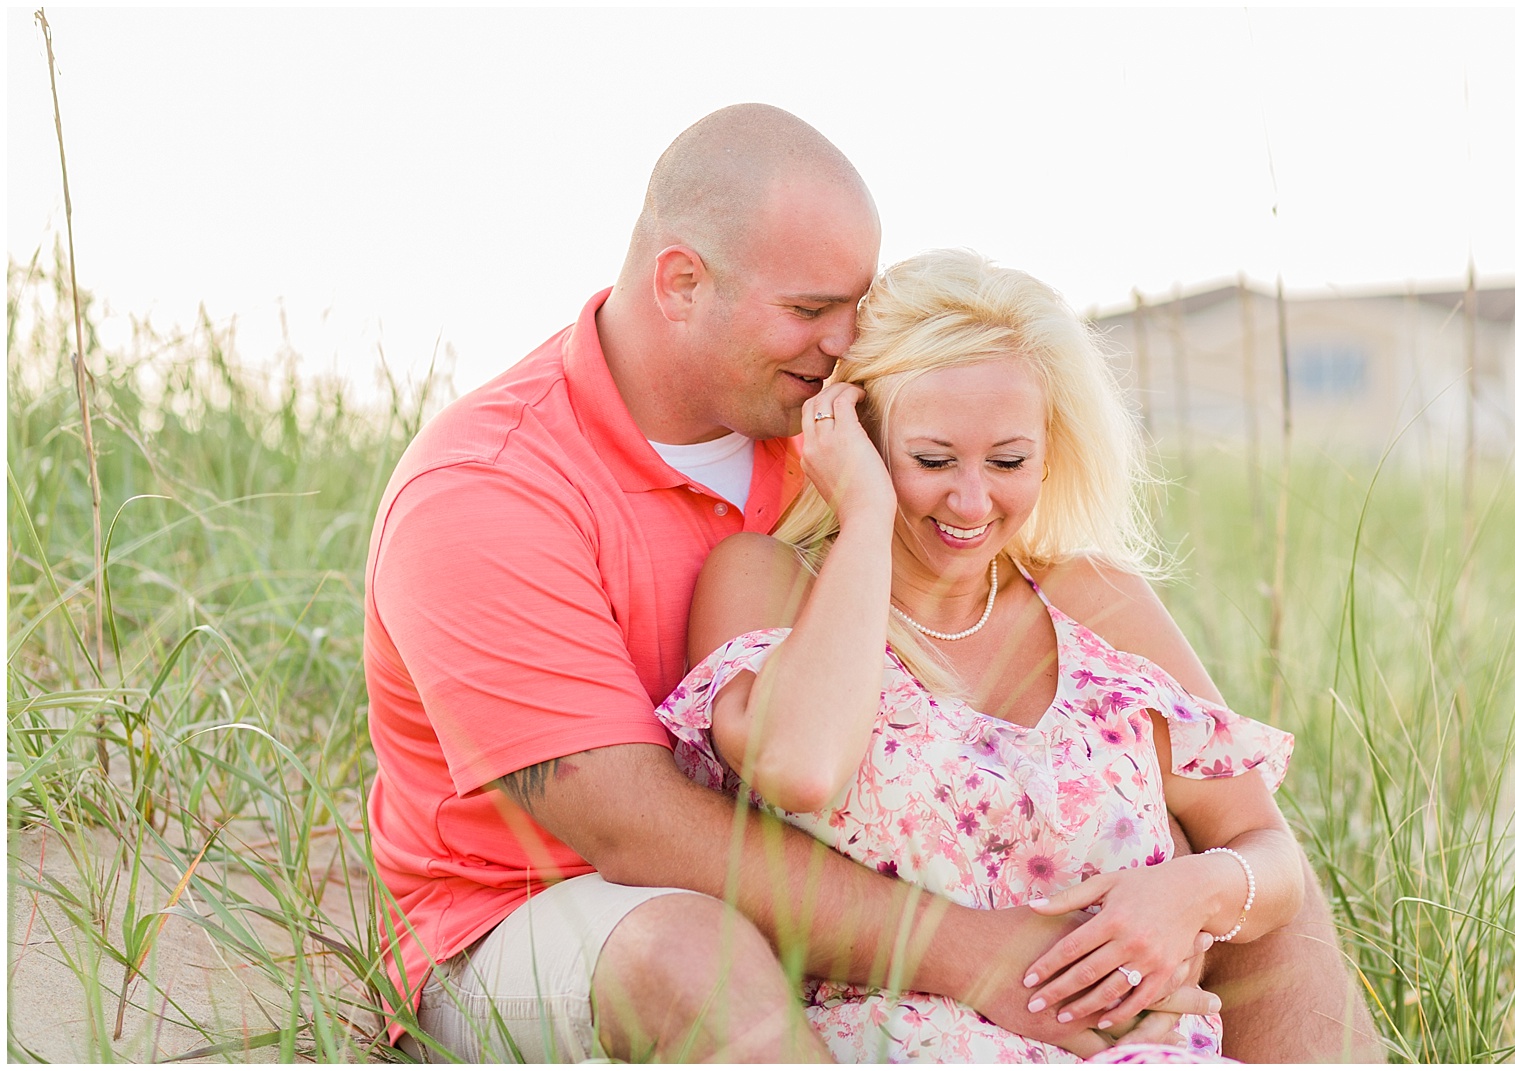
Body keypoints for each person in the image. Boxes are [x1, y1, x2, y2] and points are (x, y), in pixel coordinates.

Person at [363, 103, 1381, 1062]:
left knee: (1267, 913)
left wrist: (1182, 895)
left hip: (835, 888)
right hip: (540, 914)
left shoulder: (828, 421)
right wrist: (975, 953)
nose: (846, 343)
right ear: (680, 282)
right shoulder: (491, 492)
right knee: (692, 950)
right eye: (810, 309)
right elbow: (631, 827)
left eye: (857, 306)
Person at [657, 248, 1303, 1062]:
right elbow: (800, 765)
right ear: (859, 432)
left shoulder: (1096, 597)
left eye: (1008, 461)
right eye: (931, 461)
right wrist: (862, 513)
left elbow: (1268, 849)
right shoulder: (768, 582)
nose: (970, 501)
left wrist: (1193, 891)